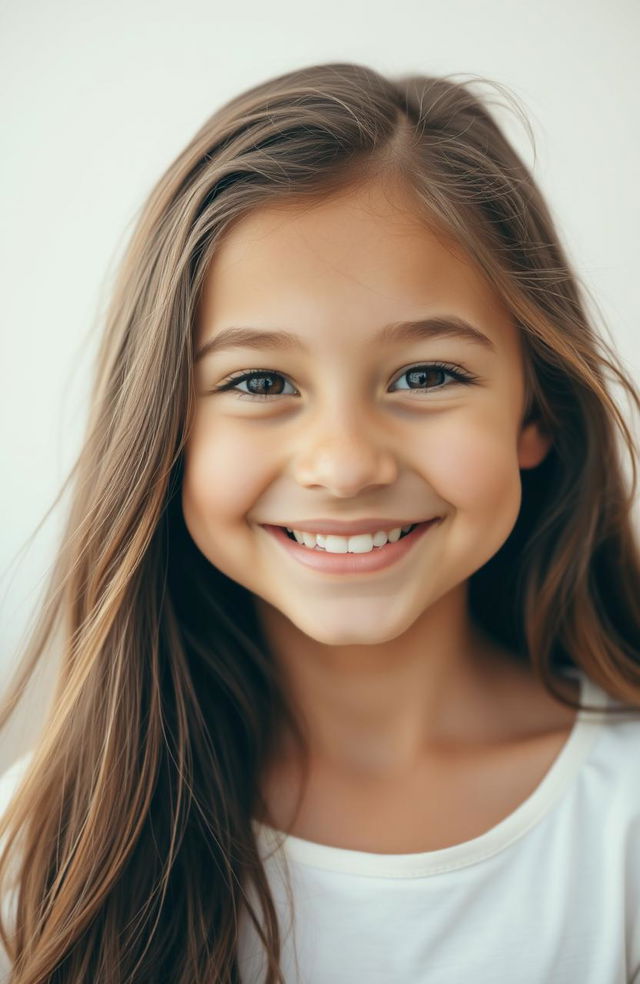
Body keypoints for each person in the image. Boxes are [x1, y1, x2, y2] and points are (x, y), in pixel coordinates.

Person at [0, 61, 639, 984]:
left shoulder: (621, 828)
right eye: (261, 384)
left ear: (534, 412)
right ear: (166, 432)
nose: (343, 466)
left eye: (425, 375)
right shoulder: (41, 864)